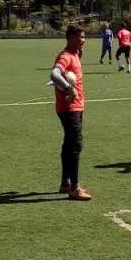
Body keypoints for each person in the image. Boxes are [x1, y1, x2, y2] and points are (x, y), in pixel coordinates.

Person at [49, 24, 91, 201]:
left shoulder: (76, 54)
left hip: (75, 106)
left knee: (69, 144)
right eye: (80, 37)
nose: (83, 40)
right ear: (70, 38)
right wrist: (68, 88)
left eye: (84, 37)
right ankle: (74, 187)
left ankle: (65, 183)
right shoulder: (66, 56)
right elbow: (54, 74)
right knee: (75, 145)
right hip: (69, 108)